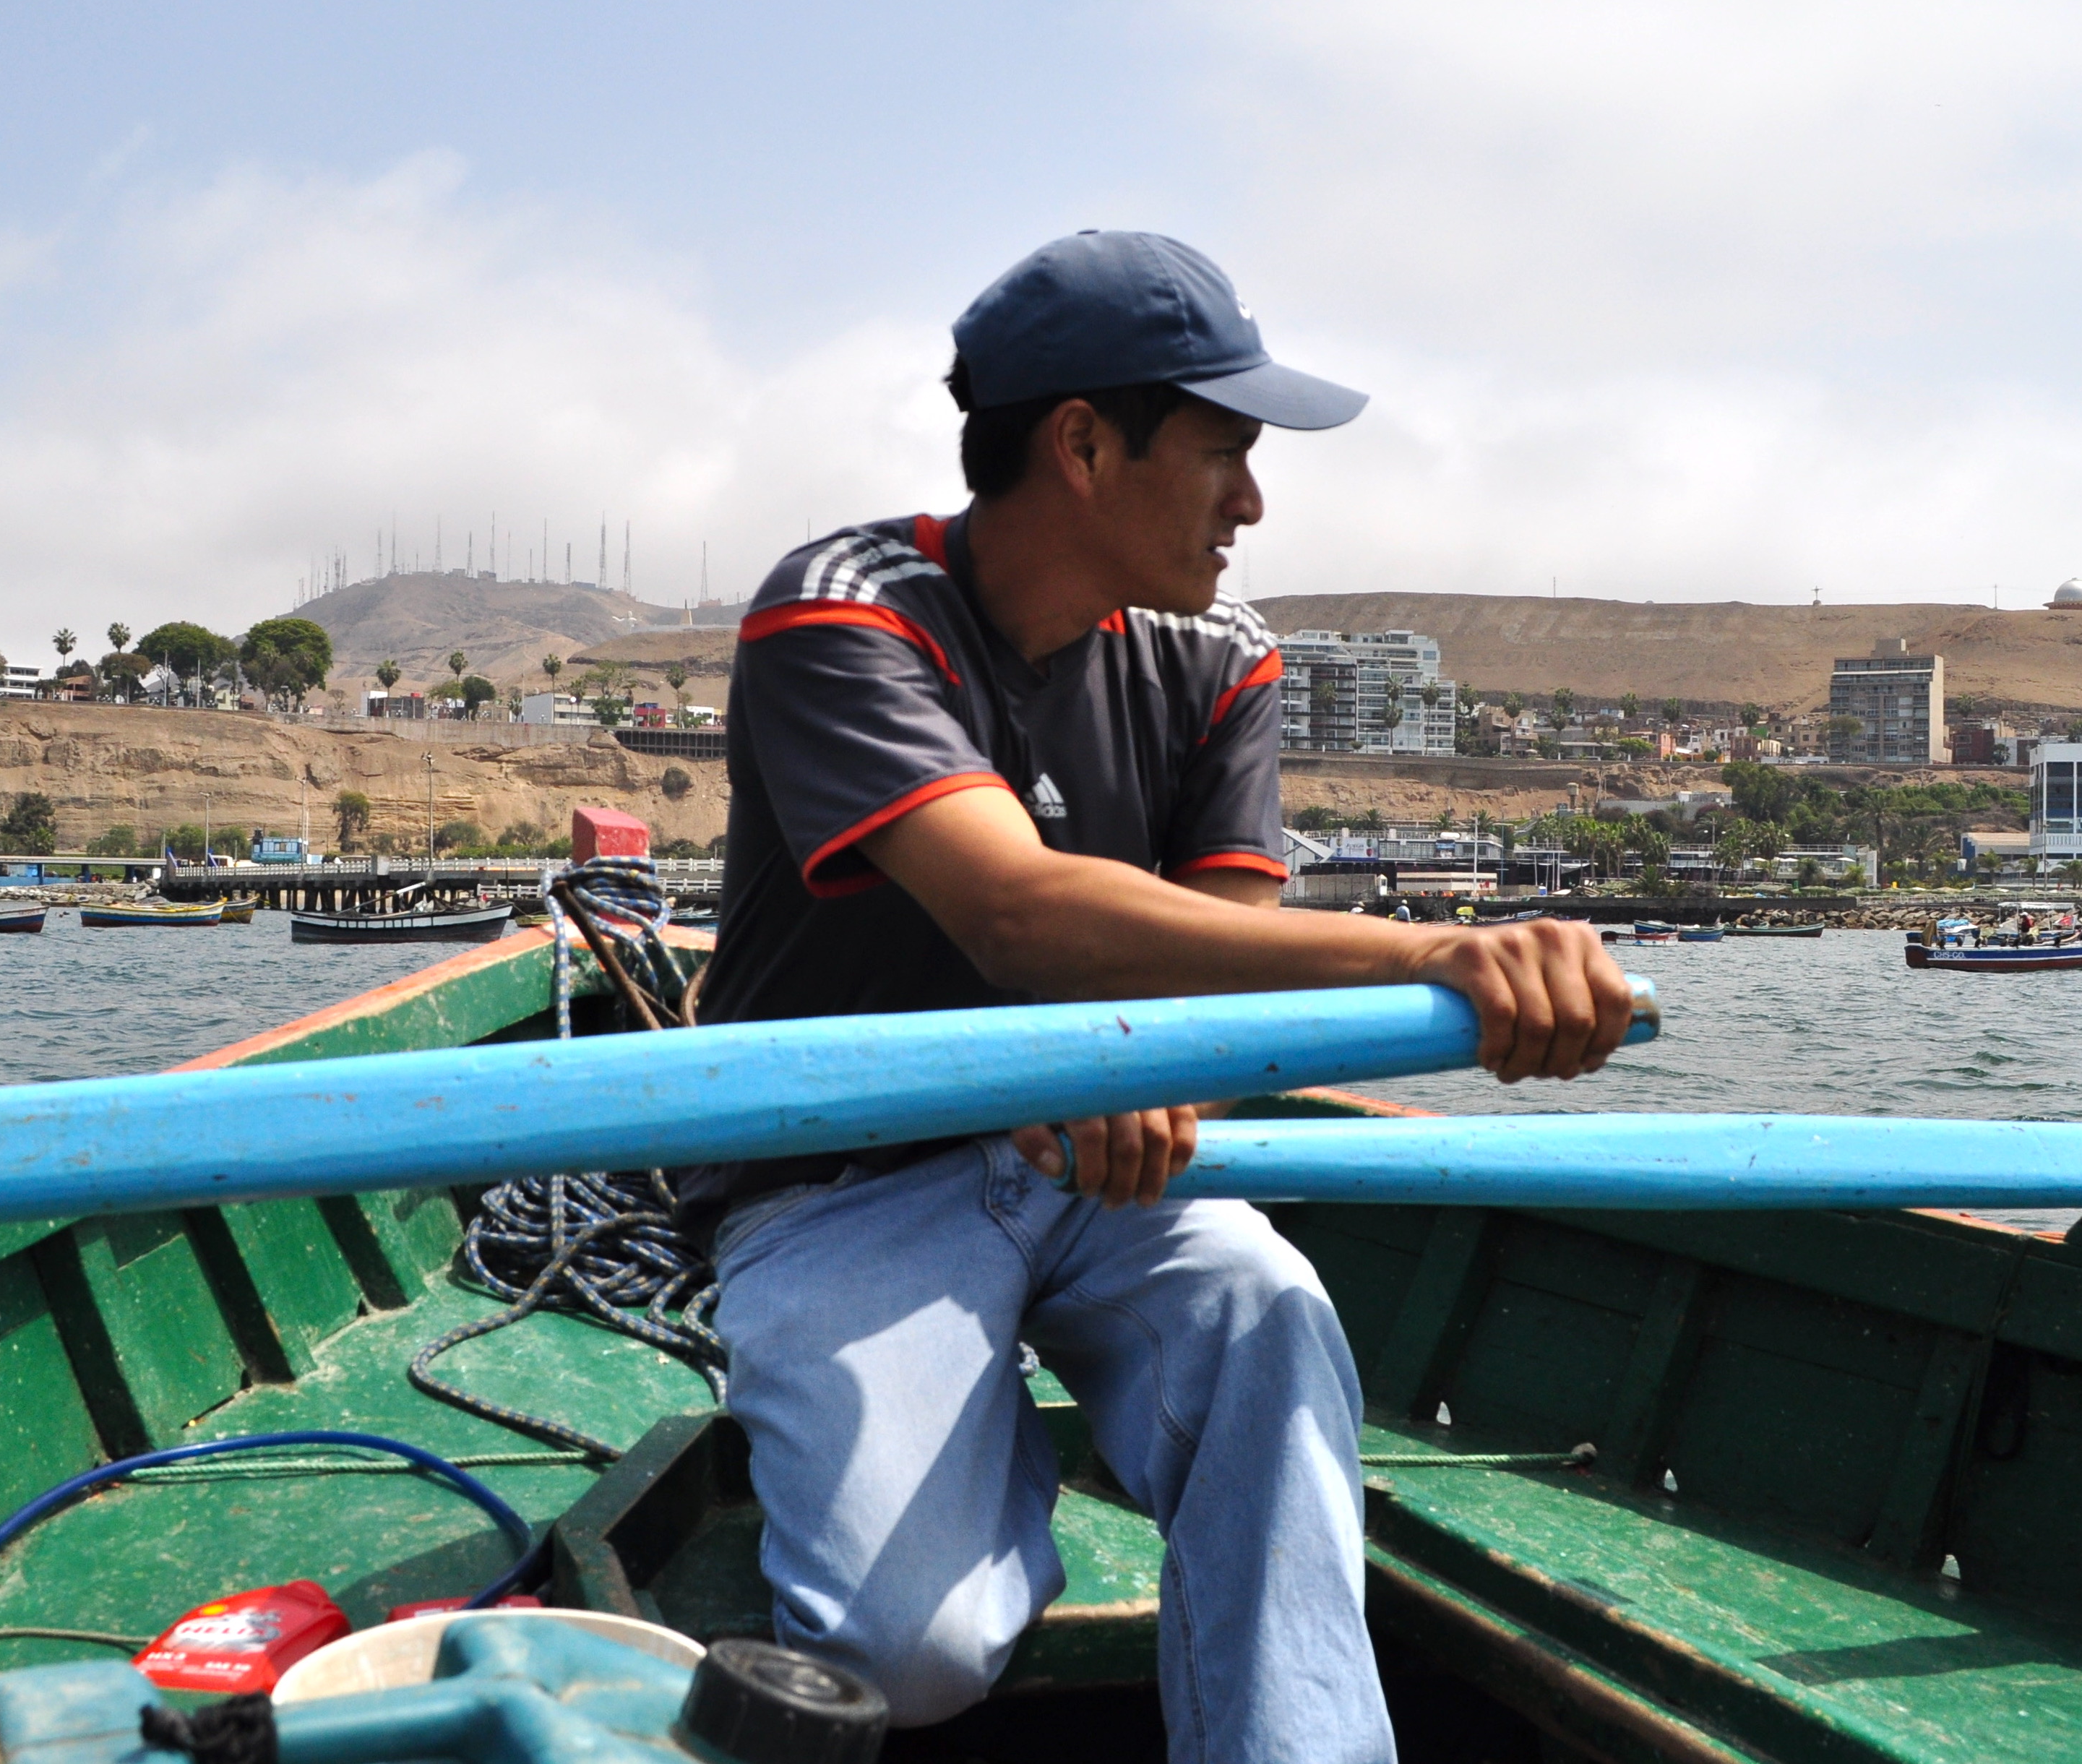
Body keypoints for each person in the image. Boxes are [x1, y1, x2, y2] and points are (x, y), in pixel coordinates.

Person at [686, 232, 1634, 1764]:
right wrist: (1432, 953)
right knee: (913, 1657)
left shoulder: (1218, 657)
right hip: (846, 1176)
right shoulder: (844, 610)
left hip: (1108, 1166)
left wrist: (1152, 1064)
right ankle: (965, 1465)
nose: (1249, 506)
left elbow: (1213, 959)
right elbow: (1014, 910)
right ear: (1078, 444)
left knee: (1267, 1310)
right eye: (1220, 457)